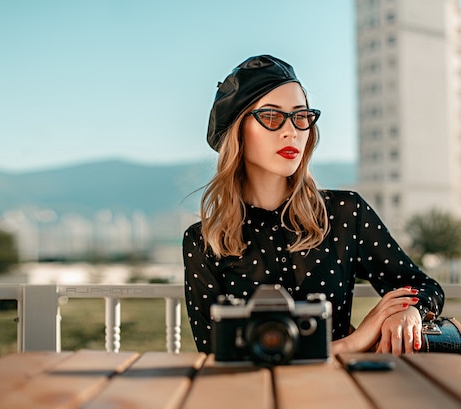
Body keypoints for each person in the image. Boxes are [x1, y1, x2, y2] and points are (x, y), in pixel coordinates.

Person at [183, 54, 444, 356]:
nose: (291, 130)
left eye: (301, 116)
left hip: (337, 399)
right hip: (250, 401)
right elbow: (218, 357)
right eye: (271, 116)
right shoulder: (203, 241)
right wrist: (353, 343)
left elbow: (423, 288)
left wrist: (406, 313)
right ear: (237, 130)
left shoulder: (346, 213)